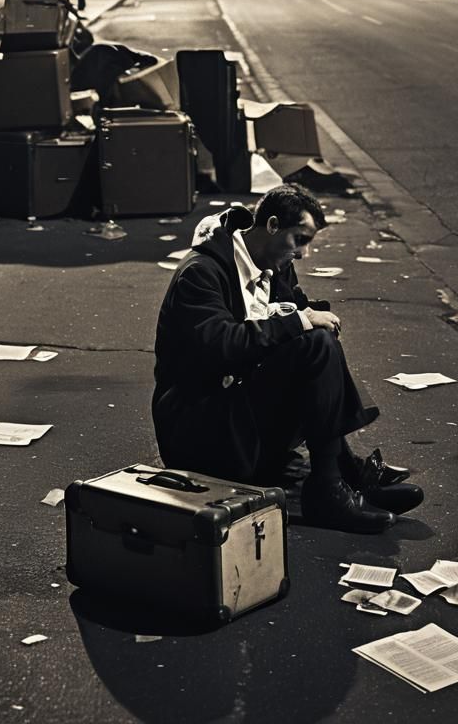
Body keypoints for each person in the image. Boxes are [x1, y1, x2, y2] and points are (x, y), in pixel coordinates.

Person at [152, 183, 423, 533]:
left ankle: (342, 476)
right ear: (273, 225)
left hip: (236, 413)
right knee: (313, 343)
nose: (303, 253)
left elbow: (294, 312)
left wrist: (307, 316)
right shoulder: (202, 273)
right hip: (197, 432)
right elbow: (221, 344)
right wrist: (298, 322)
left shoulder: (274, 265)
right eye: (300, 240)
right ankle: (328, 490)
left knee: (317, 340)